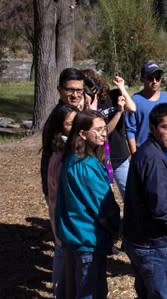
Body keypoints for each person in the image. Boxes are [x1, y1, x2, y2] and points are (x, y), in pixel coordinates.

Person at [123, 103, 167, 299]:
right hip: (151, 242)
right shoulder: (153, 159)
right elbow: (161, 208)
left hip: (139, 238)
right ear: (152, 128)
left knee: (145, 292)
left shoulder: (151, 151)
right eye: (166, 127)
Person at [55, 110, 120, 299]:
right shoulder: (86, 166)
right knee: (90, 292)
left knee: (77, 289)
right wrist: (116, 229)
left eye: (104, 129)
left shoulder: (70, 159)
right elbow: (103, 206)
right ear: (82, 134)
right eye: (98, 130)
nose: (103, 133)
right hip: (88, 239)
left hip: (72, 236)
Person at [82, 69, 136, 199]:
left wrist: (121, 87)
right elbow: (103, 132)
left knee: (131, 196)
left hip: (120, 156)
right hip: (100, 158)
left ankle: (132, 219)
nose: (93, 90)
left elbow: (132, 108)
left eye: (94, 84)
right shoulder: (87, 108)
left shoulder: (113, 96)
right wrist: (118, 113)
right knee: (105, 197)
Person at [45, 104, 79, 297]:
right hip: (65, 220)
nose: (74, 127)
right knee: (64, 259)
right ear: (60, 127)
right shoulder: (63, 157)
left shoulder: (65, 151)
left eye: (77, 122)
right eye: (69, 124)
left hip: (63, 219)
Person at [41, 68, 86, 204]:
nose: (75, 95)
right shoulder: (63, 117)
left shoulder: (68, 111)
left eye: (79, 90)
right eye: (70, 90)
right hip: (63, 185)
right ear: (59, 89)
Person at [125, 62, 167, 154]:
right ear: (142, 79)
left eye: (158, 77)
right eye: (150, 78)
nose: (154, 81)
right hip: (143, 151)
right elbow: (130, 130)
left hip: (165, 150)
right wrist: (135, 154)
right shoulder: (134, 101)